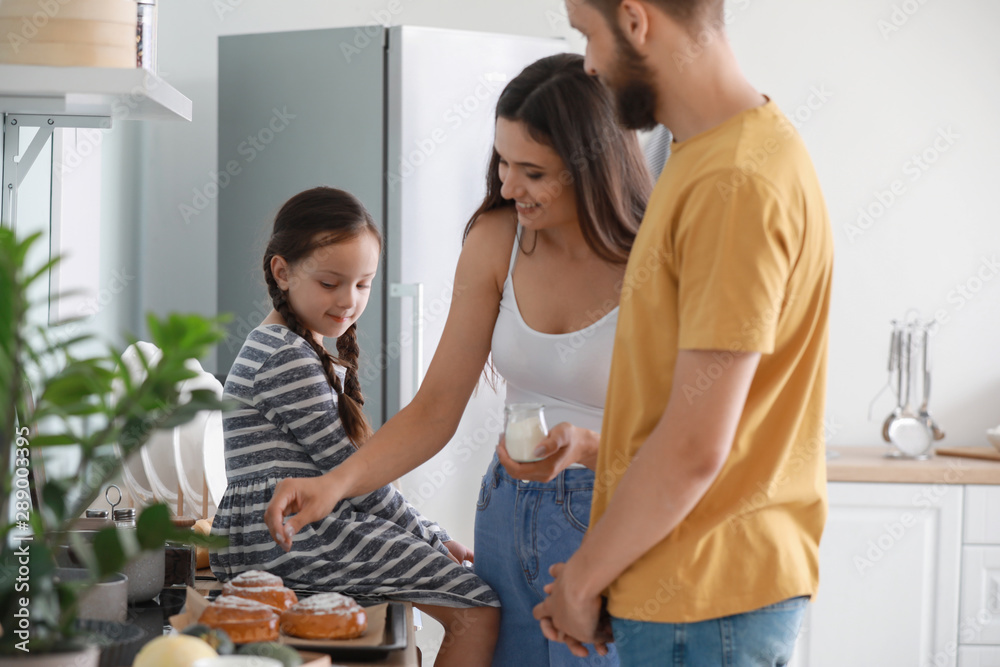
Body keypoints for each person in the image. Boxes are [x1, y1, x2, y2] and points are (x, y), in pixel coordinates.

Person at [263, 54, 652, 666]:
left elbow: (686, 431)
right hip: (510, 511)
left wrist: (590, 445)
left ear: (591, 168)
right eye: (501, 161)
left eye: (532, 170)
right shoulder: (497, 239)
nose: (505, 186)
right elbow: (438, 406)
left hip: (619, 516)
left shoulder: (658, 257)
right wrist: (332, 486)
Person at [531, 1, 834, 664]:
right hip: (686, 588)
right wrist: (598, 449)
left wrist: (582, 577)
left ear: (636, 21)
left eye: (588, 34)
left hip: (706, 595)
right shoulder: (704, 156)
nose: (587, 62)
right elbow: (696, 406)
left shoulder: (735, 182)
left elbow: (698, 445)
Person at [209, 186, 500, 667]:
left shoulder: (283, 347)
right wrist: (429, 536)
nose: (349, 299)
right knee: (479, 610)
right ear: (283, 271)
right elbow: (356, 479)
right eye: (330, 283)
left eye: (363, 284)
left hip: (275, 532)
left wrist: (425, 533)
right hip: (294, 534)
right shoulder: (287, 359)